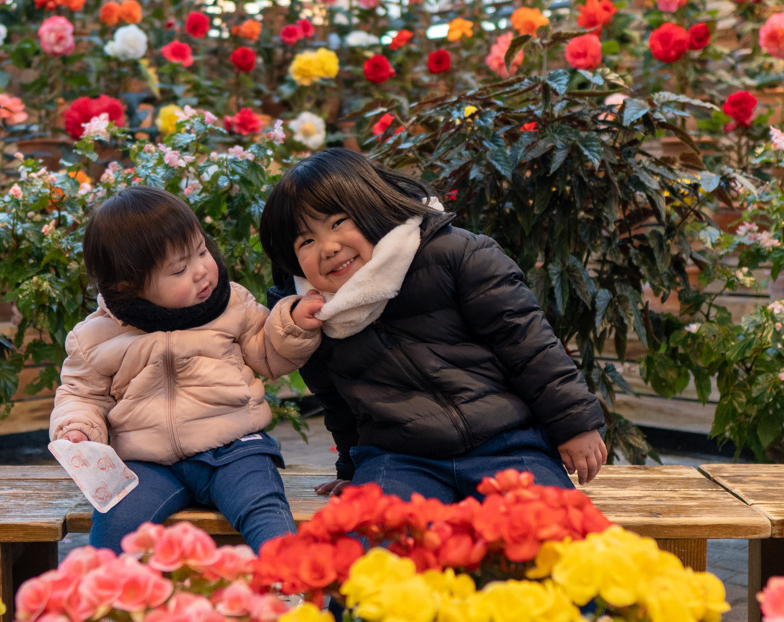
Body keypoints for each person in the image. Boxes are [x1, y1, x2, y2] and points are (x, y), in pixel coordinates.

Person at [259, 148, 607, 503]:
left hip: (506, 443)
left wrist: (574, 424)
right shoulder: (314, 315)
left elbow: (529, 345)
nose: (328, 247)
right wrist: (350, 468)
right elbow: (337, 402)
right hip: (398, 460)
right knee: (376, 539)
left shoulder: (455, 254)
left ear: (372, 206)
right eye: (306, 241)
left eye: (337, 223)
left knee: (554, 531)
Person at [51, 186, 324, 552]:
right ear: (126, 286)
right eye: (180, 268)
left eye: (201, 251)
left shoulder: (231, 304)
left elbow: (269, 353)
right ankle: (103, 605)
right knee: (114, 526)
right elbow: (80, 395)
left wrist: (292, 325)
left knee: (264, 509)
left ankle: (288, 589)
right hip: (146, 465)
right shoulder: (97, 336)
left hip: (233, 449)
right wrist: (78, 430)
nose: (201, 271)